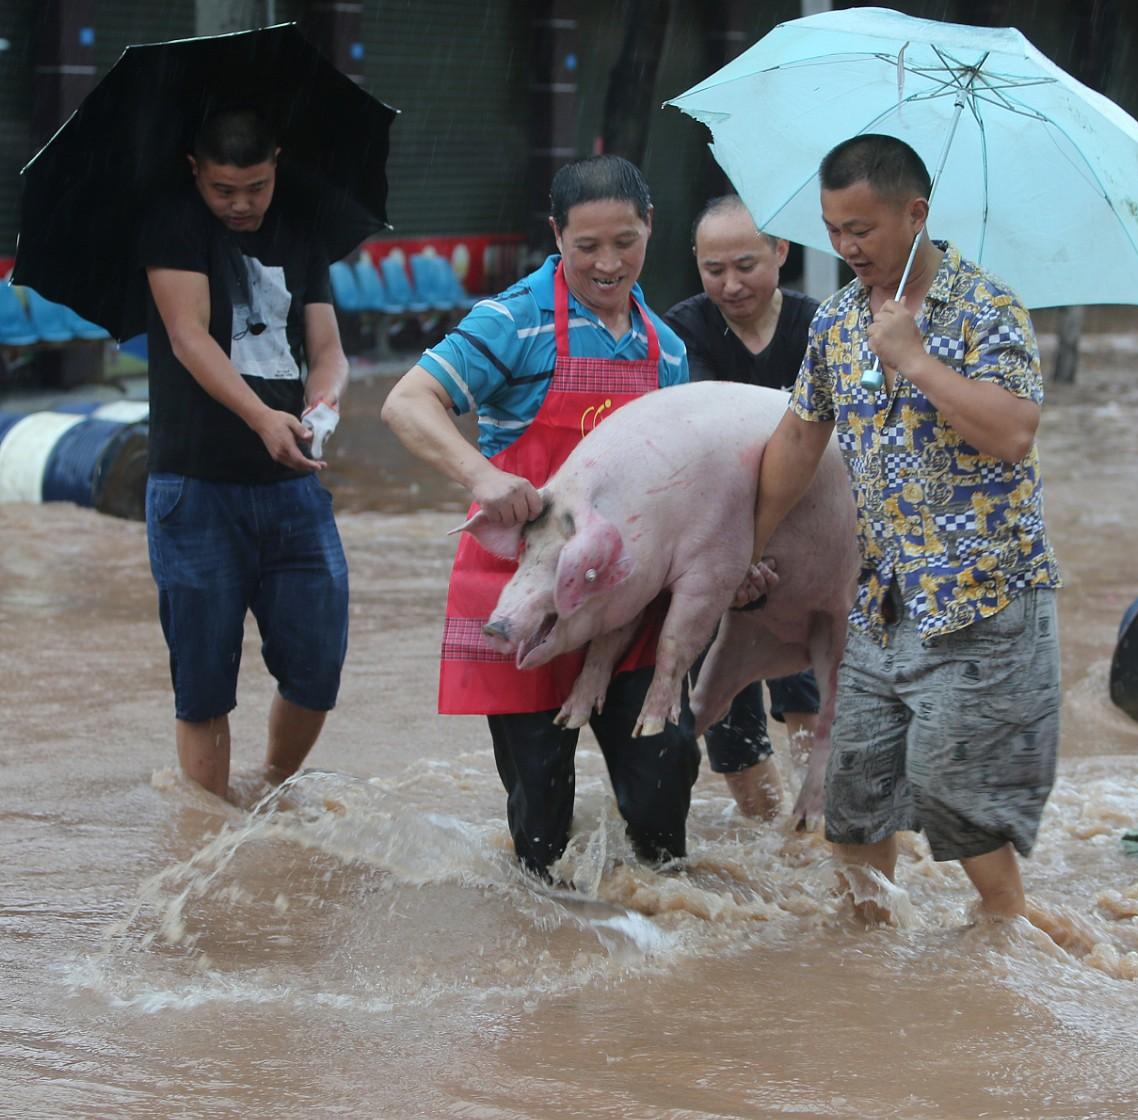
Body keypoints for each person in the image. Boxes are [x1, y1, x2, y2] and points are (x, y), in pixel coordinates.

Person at [738, 134, 1064, 931]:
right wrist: (743, 546)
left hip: (983, 603)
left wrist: (916, 360)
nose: (848, 248)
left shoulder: (987, 308)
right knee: (853, 795)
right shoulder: (840, 322)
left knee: (959, 800)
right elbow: (796, 442)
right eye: (834, 229)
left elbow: (1015, 432)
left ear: (916, 214)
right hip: (885, 601)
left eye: (863, 229)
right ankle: (870, 975)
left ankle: (1011, 941)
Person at [381, 155, 699, 883]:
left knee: (661, 789)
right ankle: (552, 955)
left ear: (651, 228)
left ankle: (662, 949)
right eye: (587, 246)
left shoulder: (669, 350)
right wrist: (483, 474)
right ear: (556, 236)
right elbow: (407, 402)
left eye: (625, 241)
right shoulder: (512, 321)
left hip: (631, 602)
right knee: (541, 811)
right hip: (524, 592)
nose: (608, 263)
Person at [140, 106, 350, 803]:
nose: (240, 204)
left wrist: (320, 406)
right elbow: (187, 337)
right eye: (223, 189)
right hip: (195, 488)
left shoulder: (301, 226)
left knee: (318, 666)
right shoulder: (174, 223)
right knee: (203, 683)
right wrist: (263, 417)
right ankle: (206, 839)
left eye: (255, 187)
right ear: (196, 171)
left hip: (293, 487)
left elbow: (326, 350)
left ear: (277, 165)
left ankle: (270, 792)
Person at [663, 196, 823, 823]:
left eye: (747, 265)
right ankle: (765, 841)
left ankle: (813, 835)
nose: (731, 285)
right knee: (725, 712)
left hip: (805, 547)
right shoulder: (683, 329)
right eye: (714, 269)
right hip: (715, 547)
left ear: (782, 253)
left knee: (809, 698)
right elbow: (709, 429)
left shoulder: (823, 326)